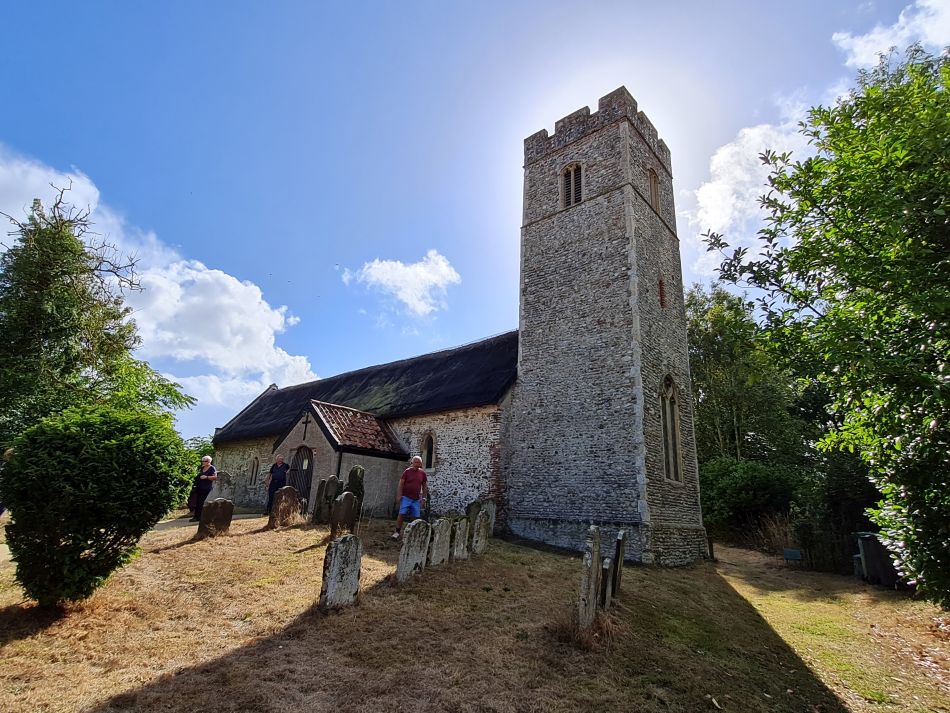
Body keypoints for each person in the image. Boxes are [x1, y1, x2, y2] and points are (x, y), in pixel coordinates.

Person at [391, 456, 428, 540]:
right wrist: (399, 495)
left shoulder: (422, 473)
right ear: (412, 463)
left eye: (418, 462)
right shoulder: (407, 472)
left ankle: (413, 533)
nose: (417, 464)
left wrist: (424, 498)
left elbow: (425, 486)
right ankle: (397, 532)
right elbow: (401, 484)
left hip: (416, 499)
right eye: (415, 462)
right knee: (402, 513)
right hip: (406, 497)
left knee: (415, 516)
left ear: (421, 464)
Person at [190, 456, 217, 522]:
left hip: (206, 488)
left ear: (209, 461)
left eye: (205, 461)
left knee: (202, 502)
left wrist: (206, 477)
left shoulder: (212, 468)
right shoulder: (202, 468)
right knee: (197, 502)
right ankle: (196, 517)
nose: (203, 462)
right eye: (202, 461)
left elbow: (215, 477)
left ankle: (203, 517)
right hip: (199, 487)